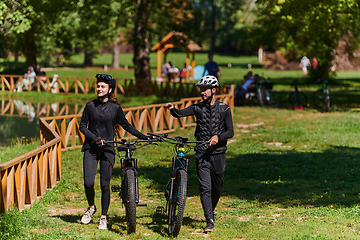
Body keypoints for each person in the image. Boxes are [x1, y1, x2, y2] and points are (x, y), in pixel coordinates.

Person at [79, 74, 149, 230]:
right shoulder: (90, 106)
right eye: (98, 86)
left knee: (105, 185)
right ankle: (91, 208)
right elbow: (82, 126)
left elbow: (127, 125)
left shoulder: (115, 108)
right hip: (91, 148)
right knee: (88, 183)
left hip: (108, 149)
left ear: (109, 89)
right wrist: (95, 138)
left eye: (103, 86)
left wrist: (144, 136)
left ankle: (103, 217)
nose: (99, 88)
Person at [165, 75, 234, 233]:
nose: (202, 92)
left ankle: (210, 210)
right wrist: (172, 109)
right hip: (202, 152)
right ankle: (209, 219)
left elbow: (230, 131)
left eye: (205, 89)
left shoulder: (224, 109)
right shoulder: (197, 108)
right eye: (200, 89)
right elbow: (179, 113)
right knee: (205, 188)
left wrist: (218, 137)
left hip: (218, 153)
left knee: (217, 188)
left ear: (213, 90)